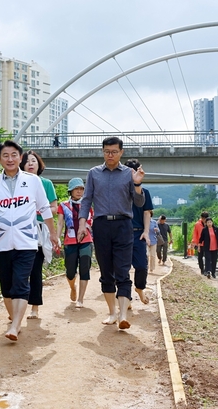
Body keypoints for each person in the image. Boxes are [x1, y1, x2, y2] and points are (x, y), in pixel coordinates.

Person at [0, 140, 59, 342]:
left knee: (21, 282)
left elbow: (45, 209)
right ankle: (15, 319)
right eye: (5, 155)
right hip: (2, 243)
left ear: (20, 158)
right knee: (7, 286)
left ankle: (15, 325)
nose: (10, 159)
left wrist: (53, 233)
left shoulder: (32, 181)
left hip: (27, 242)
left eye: (14, 155)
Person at [77, 137, 145, 330]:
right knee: (106, 272)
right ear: (102, 151)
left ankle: (123, 315)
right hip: (101, 226)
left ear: (121, 152)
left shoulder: (129, 174)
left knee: (122, 271)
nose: (110, 155)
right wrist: (82, 224)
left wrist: (138, 185)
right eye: (107, 151)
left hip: (123, 225)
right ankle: (113, 312)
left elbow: (139, 203)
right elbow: (86, 200)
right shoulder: (94, 173)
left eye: (114, 151)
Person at [19, 150, 58, 320]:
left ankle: (34, 307)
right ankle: (17, 306)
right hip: (20, 229)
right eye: (27, 161)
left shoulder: (46, 183)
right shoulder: (17, 183)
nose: (30, 163)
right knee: (19, 271)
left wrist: (41, 210)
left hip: (40, 231)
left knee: (35, 269)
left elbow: (55, 208)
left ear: (39, 164)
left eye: (33, 160)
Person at [56, 177, 93, 308]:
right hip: (70, 240)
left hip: (86, 240)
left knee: (85, 269)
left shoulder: (88, 205)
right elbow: (60, 223)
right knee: (70, 271)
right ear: (70, 191)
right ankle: (73, 287)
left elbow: (92, 221)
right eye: (76, 189)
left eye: (81, 189)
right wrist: (57, 238)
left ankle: (81, 299)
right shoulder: (63, 206)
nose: (79, 191)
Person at [124, 159, 154, 305]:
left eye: (133, 171)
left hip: (138, 233)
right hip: (122, 233)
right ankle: (125, 298)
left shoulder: (144, 192)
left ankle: (139, 289)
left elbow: (147, 213)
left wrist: (146, 232)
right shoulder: (120, 191)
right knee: (122, 268)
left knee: (141, 266)